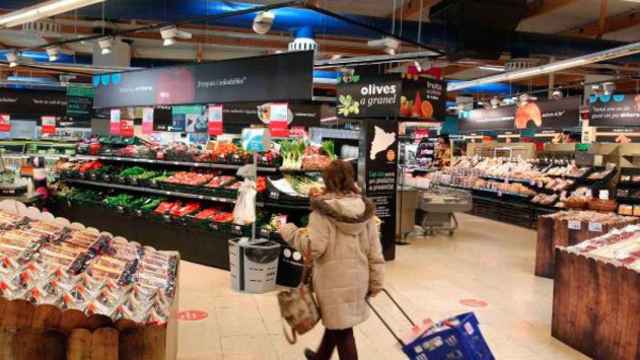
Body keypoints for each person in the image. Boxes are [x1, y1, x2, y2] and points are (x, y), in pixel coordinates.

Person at [279, 159, 385, 360]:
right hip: (358, 279)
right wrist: (376, 282)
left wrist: (290, 231)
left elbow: (314, 248)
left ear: (327, 180)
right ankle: (320, 358)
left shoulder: (322, 211)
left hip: (332, 281)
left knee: (342, 330)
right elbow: (375, 251)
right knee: (338, 322)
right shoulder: (365, 209)